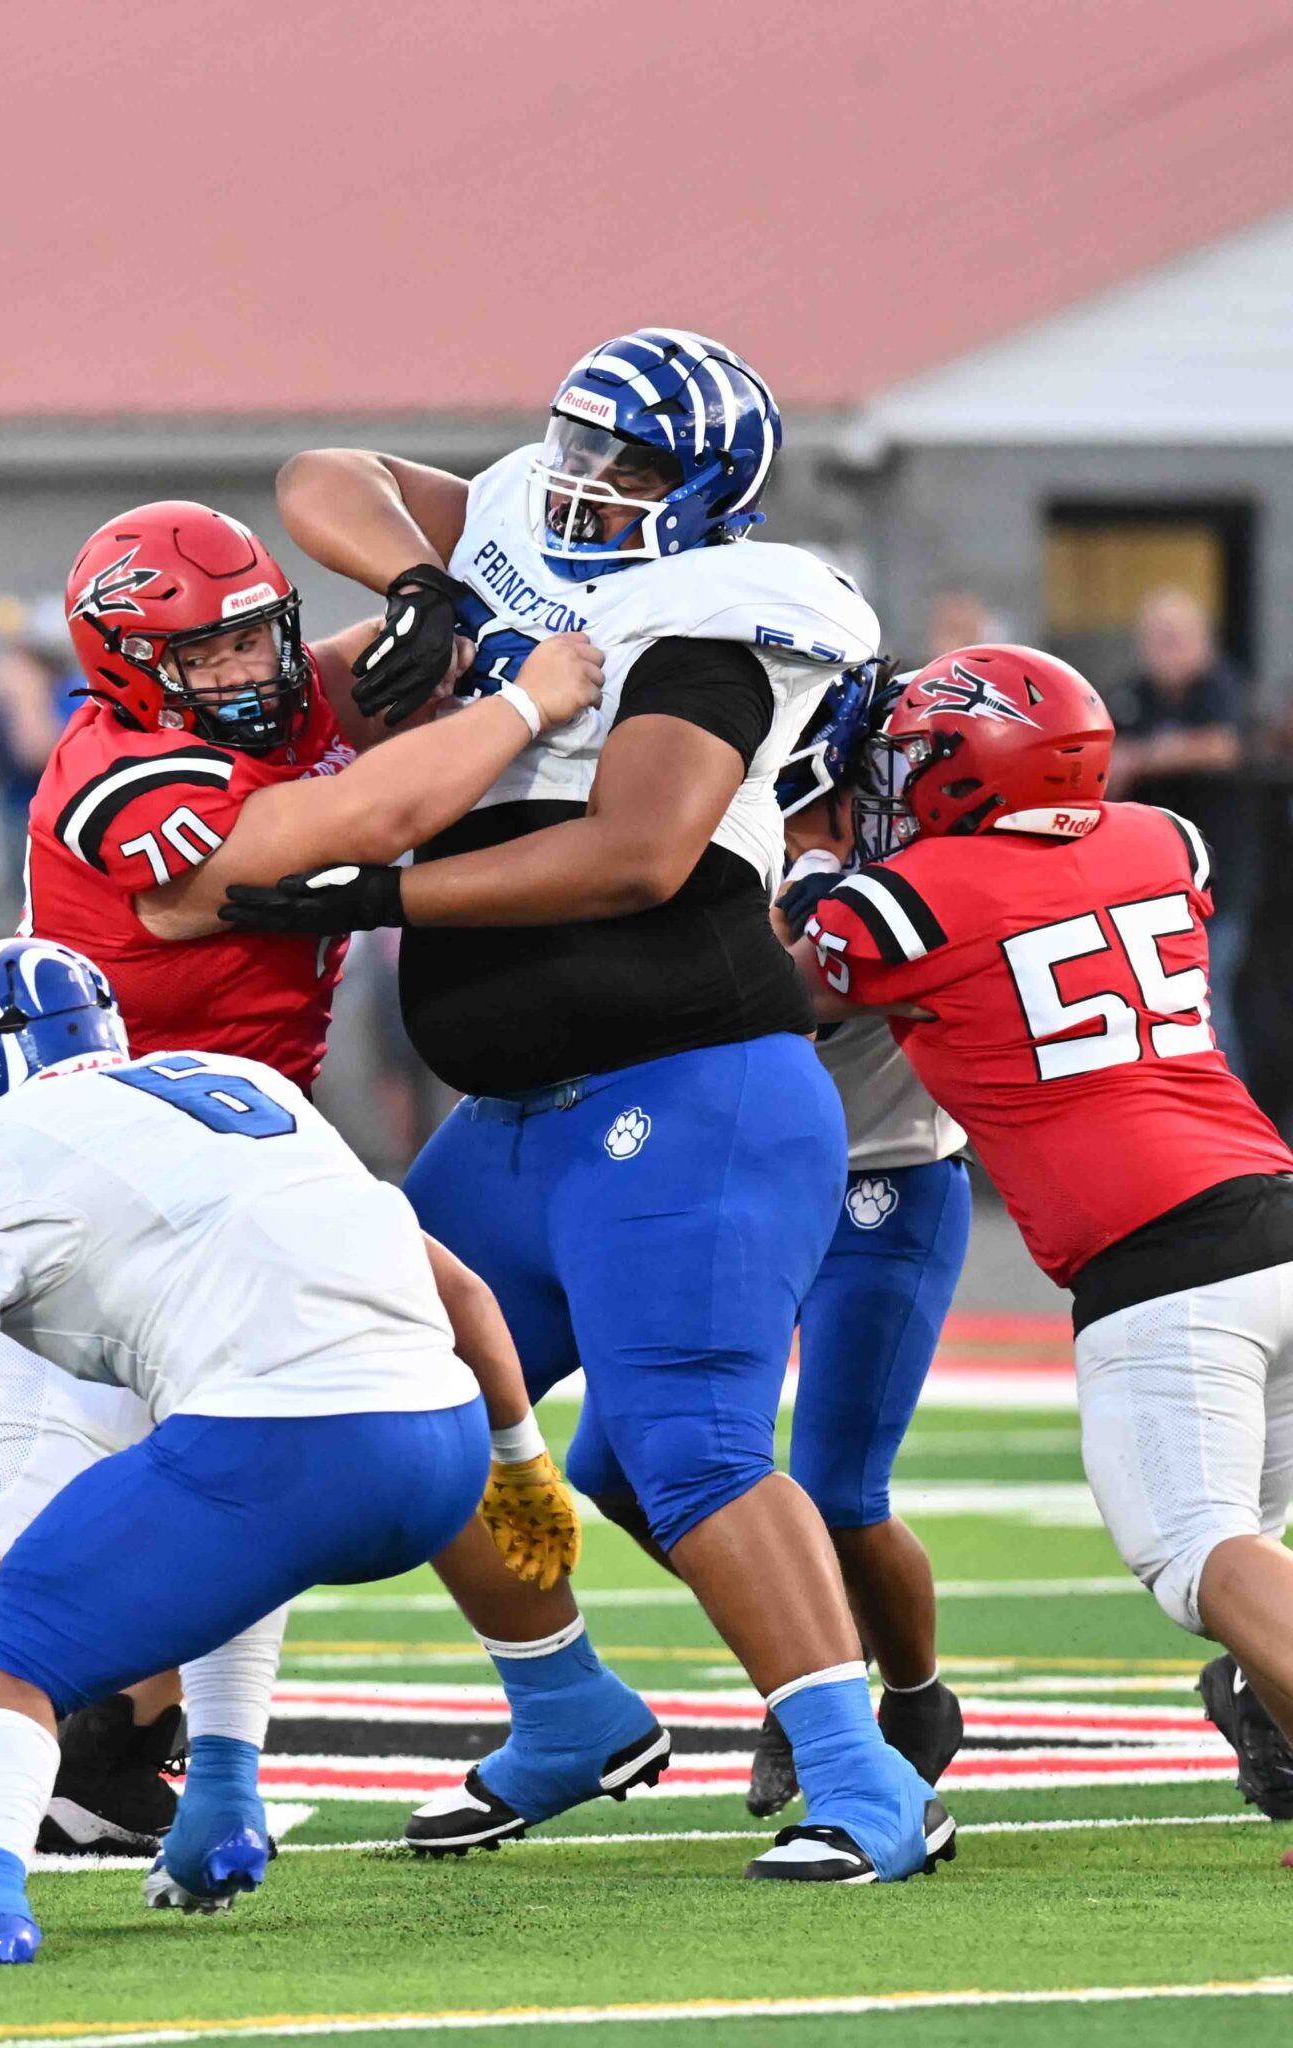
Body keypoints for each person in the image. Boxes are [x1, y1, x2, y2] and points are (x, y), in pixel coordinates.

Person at [0, 501, 634, 1877]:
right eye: (210, 653)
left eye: (260, 635)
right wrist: (527, 697)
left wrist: (424, 600)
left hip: (233, 1145)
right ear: (132, 669)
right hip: (105, 1159)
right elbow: (371, 810)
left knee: (252, 1436)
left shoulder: (261, 691)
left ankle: (122, 1748)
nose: (252, 668)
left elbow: (334, 509)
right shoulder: (119, 769)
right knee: (37, 1473)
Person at [225, 330, 951, 1883]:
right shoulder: (504, 529)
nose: (587, 479)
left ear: (706, 494)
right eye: (578, 440)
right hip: (509, 1121)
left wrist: (383, 888)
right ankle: (566, 1711)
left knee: (689, 1445)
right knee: (377, 1394)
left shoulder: (715, 621)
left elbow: (637, 853)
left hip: (690, 1085)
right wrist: (423, 591)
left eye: (630, 463)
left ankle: (866, 1776)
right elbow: (323, 472)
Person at [0, 941, 534, 1965]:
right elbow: (460, 1290)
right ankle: (222, 1800)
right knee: (228, 1520)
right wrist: (523, 1464)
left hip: (292, 1446)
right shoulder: (236, 1085)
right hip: (447, 1445)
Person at [799, 645, 1293, 1829]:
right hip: (1269, 1211)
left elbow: (789, 982)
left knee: (1195, 1550)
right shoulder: (1161, 839)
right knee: (1250, 1552)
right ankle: (1268, 1719)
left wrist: (811, 851)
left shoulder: (904, 896)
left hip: (1160, 1262)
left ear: (966, 770)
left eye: (910, 761)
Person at [743, 670, 972, 1814]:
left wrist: (802, 880)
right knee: (632, 1463)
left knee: (836, 1482)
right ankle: (812, 1662)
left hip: (883, 1181)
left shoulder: (914, 875)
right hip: (747, 1186)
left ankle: (901, 1694)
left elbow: (785, 983)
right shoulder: (729, 822)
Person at [1106, 588, 1248, 1040]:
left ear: (1202, 637)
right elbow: (1106, 763)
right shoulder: (1133, 694)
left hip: (1218, 881)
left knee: (1208, 1002)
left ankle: (1221, 1087)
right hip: (1148, 884)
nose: (1165, 649)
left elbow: (1222, 747)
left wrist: (1143, 757)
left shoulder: (1221, 686)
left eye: (1175, 637)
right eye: (1156, 638)